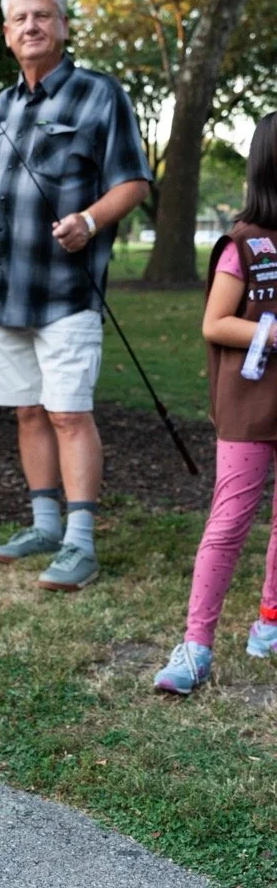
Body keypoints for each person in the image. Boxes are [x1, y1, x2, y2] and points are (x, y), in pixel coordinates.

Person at [0, 0, 151, 591]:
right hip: (5, 291)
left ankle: (80, 541)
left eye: (42, 15)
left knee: (69, 414)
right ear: (7, 34)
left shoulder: (100, 95)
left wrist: (91, 221)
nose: (31, 26)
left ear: (63, 25)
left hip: (68, 293)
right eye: (20, 19)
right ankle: (43, 525)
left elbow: (133, 182)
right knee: (27, 412)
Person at [153, 113, 277, 693]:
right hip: (250, 406)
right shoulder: (244, 245)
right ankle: (197, 646)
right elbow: (215, 323)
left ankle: (269, 624)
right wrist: (272, 333)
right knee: (230, 521)